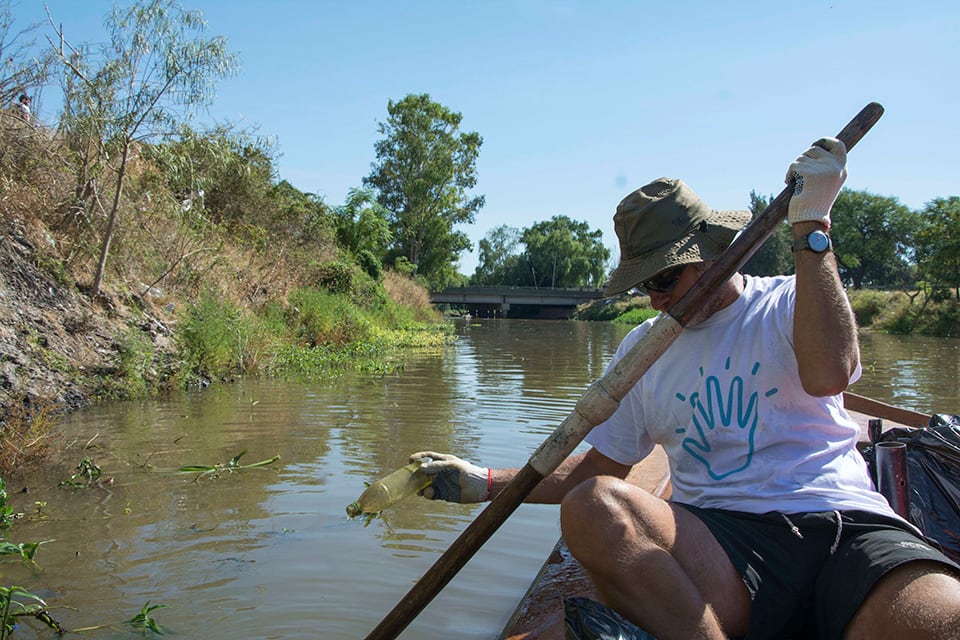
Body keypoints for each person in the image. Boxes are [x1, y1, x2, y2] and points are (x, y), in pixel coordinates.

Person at [410, 138, 960, 639]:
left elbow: (831, 374)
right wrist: (482, 482)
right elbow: (602, 471)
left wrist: (811, 224)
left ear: (716, 253)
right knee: (592, 507)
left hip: (846, 522)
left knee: (943, 617)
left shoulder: (791, 301)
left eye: (665, 279)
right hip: (720, 542)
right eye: (645, 285)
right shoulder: (644, 347)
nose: (655, 300)